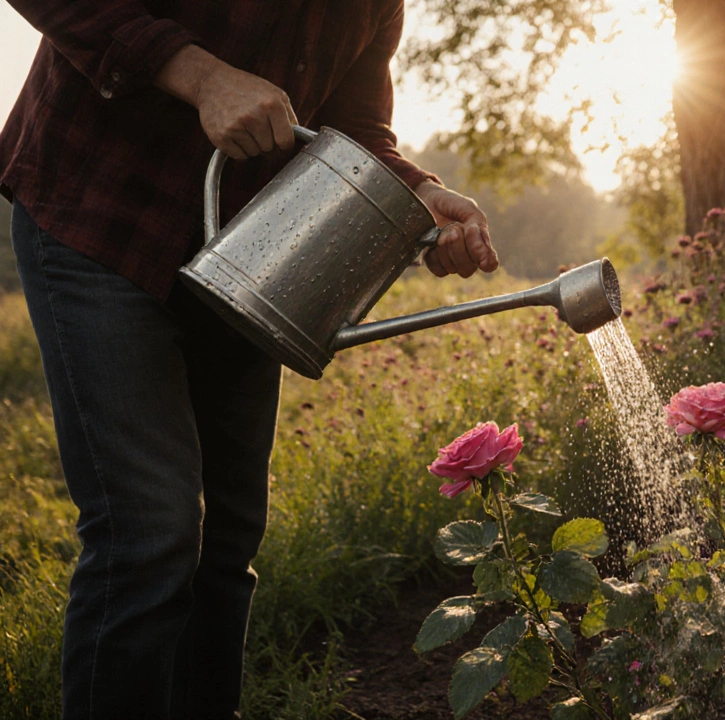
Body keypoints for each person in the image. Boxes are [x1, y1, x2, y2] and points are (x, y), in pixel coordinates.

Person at [0, 3, 497, 718]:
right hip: (100, 215)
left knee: (227, 545)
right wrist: (201, 77)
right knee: (149, 535)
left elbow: (352, 130)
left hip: (247, 255)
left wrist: (417, 195)